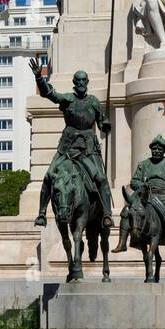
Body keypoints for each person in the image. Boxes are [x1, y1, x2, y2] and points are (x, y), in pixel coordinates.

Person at [32, 69, 114, 228]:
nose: (81, 83)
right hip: (67, 147)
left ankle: (107, 214)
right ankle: (42, 213)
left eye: (84, 80)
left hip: (89, 148)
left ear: (87, 82)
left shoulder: (94, 101)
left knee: (101, 179)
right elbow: (49, 93)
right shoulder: (67, 99)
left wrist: (105, 126)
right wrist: (39, 78)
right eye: (78, 80)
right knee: (49, 176)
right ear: (74, 83)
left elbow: (101, 122)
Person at [113, 135, 165, 256]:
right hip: (145, 196)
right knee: (126, 211)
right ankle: (122, 243)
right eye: (154, 149)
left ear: (164, 151)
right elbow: (134, 181)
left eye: (159, 149)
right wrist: (142, 186)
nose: (157, 151)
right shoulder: (143, 165)